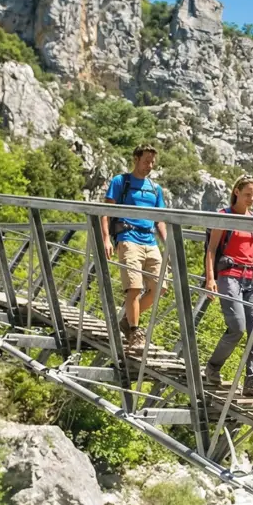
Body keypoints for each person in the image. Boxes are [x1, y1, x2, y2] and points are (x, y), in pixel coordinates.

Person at [203, 175, 253, 399]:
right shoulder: (224, 217)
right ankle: (213, 368)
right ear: (236, 192)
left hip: (252, 280)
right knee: (237, 327)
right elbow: (212, 250)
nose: (251, 199)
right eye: (247, 194)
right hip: (229, 277)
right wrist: (210, 279)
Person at [101, 144, 167, 350]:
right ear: (136, 159)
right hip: (128, 238)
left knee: (160, 289)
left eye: (153, 161)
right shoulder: (121, 182)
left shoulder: (155, 189)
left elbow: (160, 219)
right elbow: (106, 212)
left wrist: (168, 244)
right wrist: (105, 239)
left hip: (150, 241)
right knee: (135, 288)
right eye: (147, 160)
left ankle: (127, 321)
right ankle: (135, 331)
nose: (150, 165)